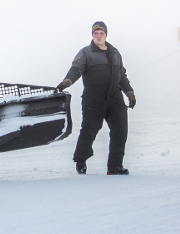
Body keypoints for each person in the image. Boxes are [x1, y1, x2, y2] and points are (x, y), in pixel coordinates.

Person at [56, 21, 136, 175]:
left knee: (120, 131)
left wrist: (129, 92)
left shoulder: (115, 53)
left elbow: (122, 76)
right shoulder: (86, 52)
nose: (99, 36)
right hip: (93, 98)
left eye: (101, 33)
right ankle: (81, 160)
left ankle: (115, 167)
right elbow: (76, 70)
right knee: (89, 130)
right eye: (96, 33)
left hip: (114, 98)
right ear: (92, 35)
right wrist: (67, 81)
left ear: (106, 34)